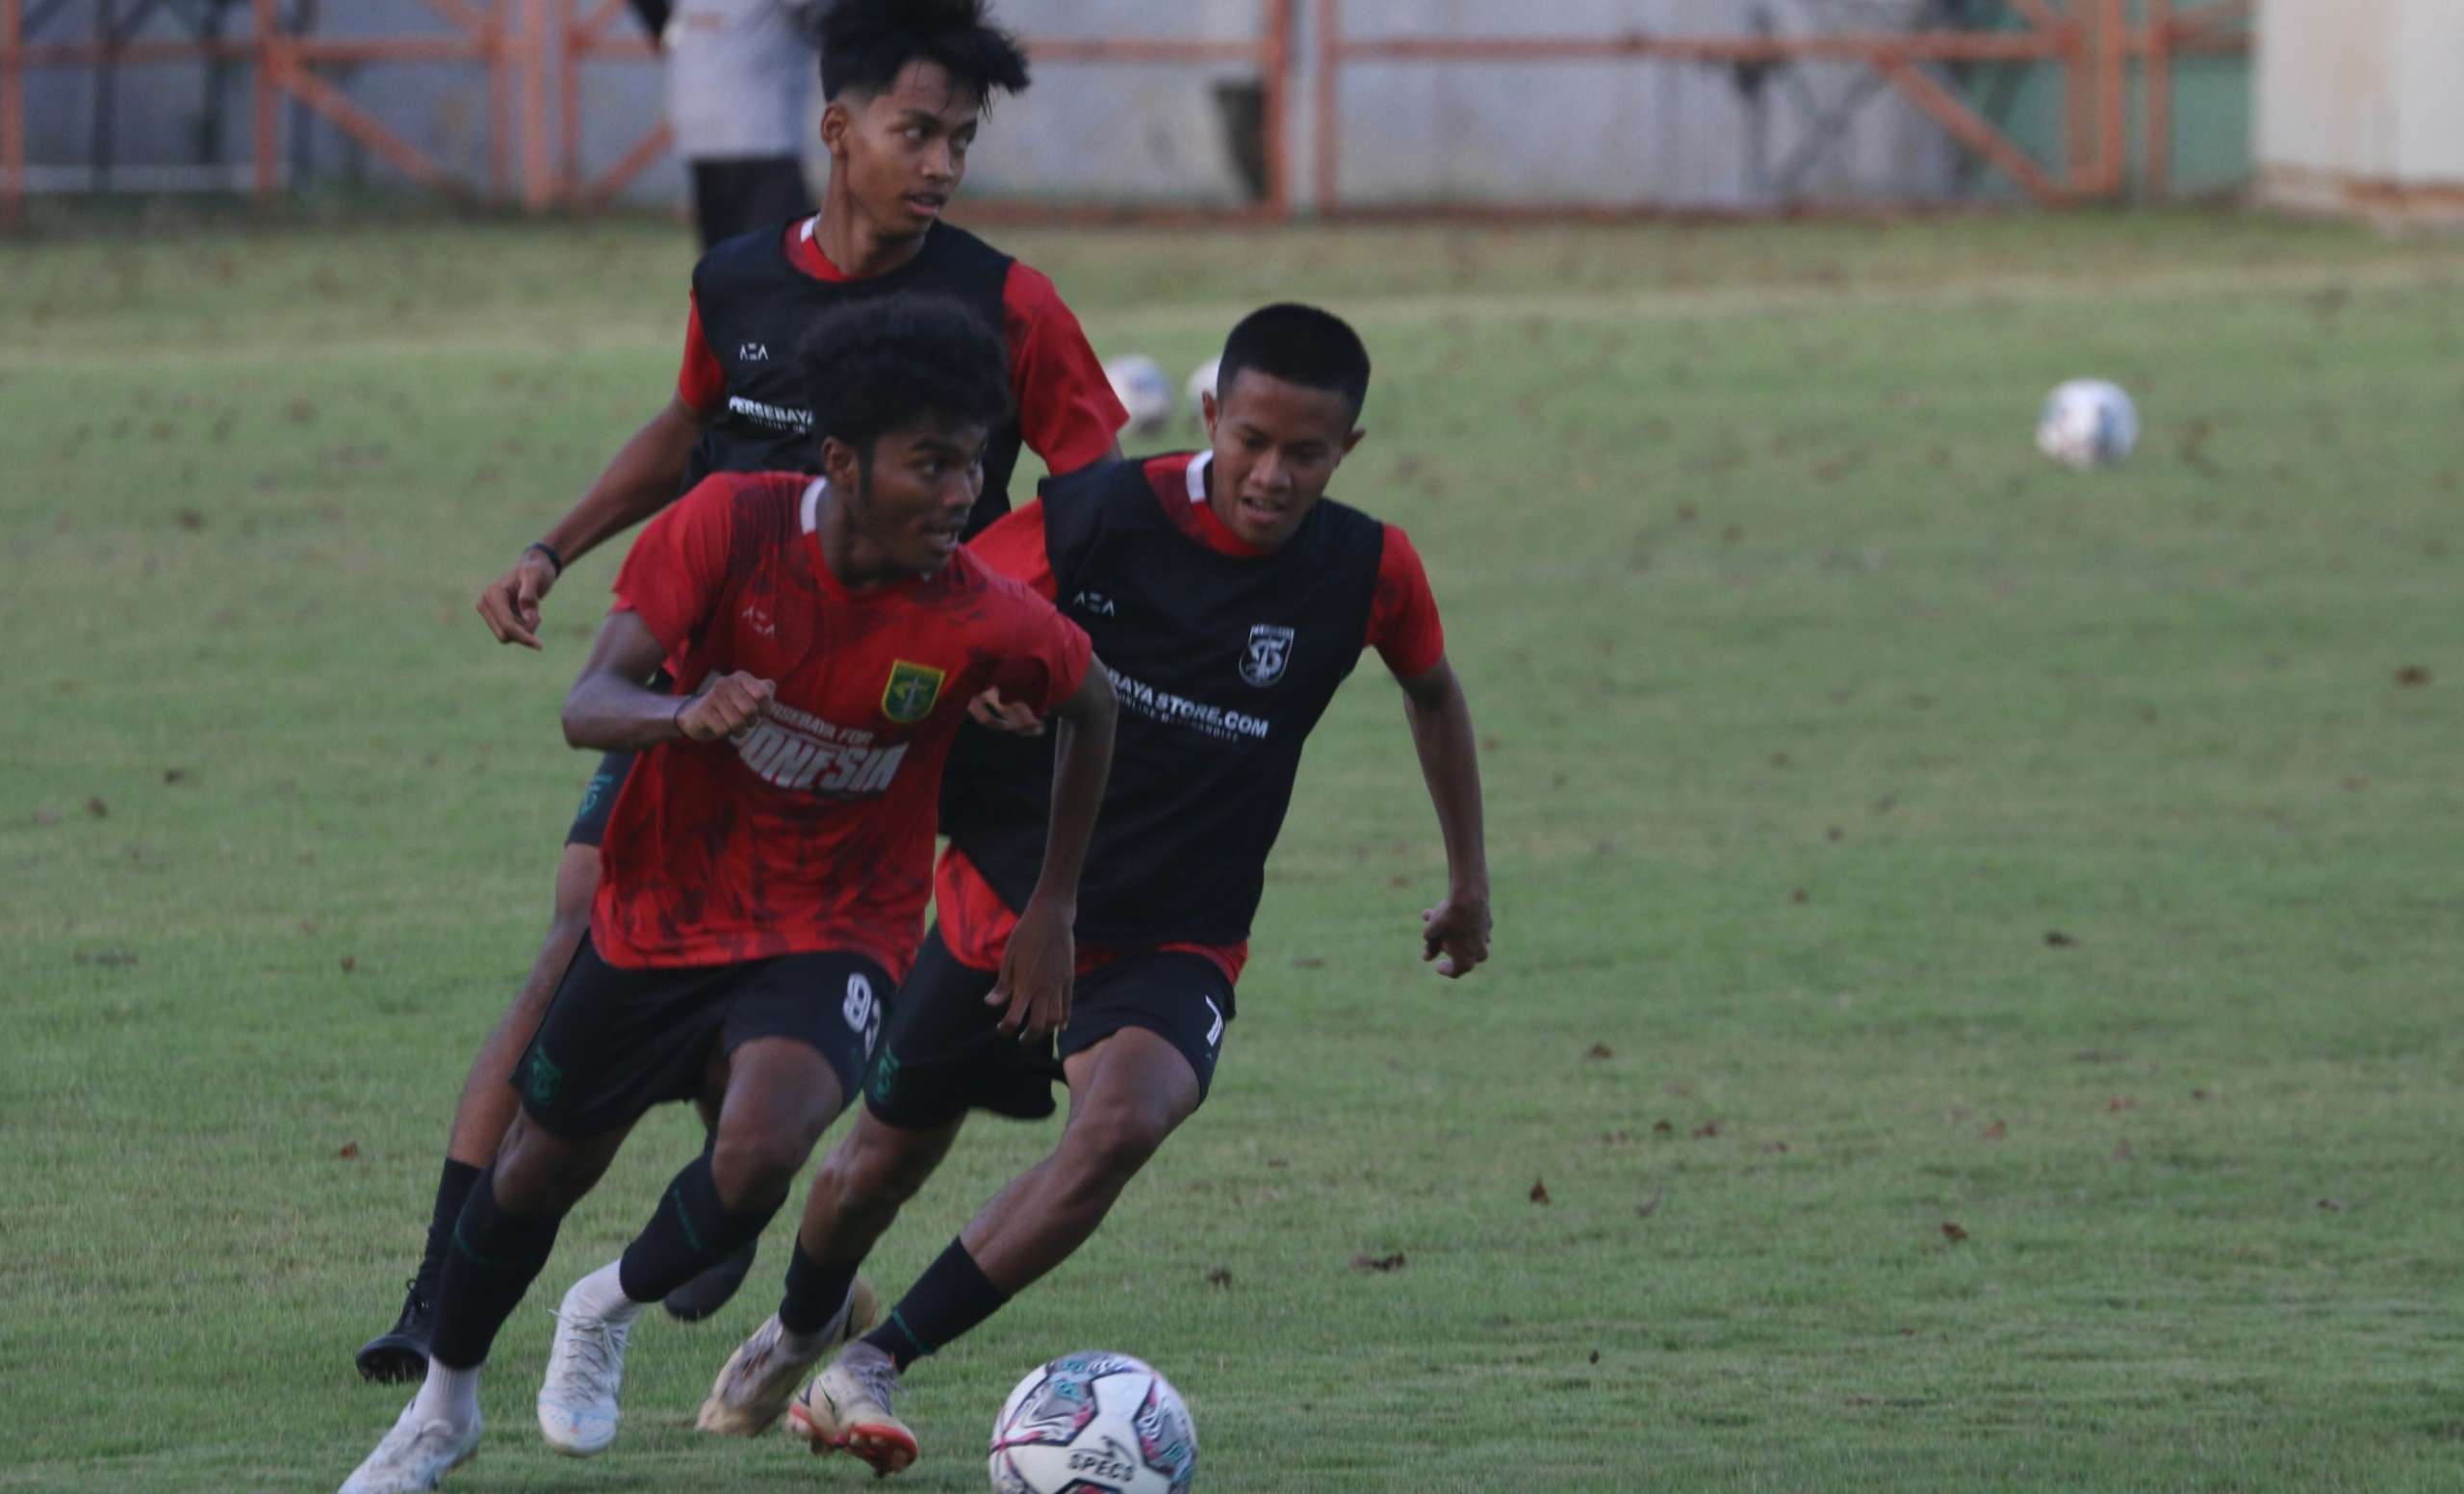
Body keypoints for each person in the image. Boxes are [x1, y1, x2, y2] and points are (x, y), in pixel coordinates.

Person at [356, 0, 1128, 1383]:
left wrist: (1016, 620)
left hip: (930, 692)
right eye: (917, 131)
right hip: (736, 700)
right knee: (581, 931)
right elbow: (684, 427)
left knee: (980, 1002)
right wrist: (553, 546)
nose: (944, 161)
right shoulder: (736, 284)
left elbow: (1096, 492)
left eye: (962, 137)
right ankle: (441, 1297)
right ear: (838, 130)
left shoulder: (1009, 301)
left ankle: (788, 1240)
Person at [689, 302, 1494, 1474]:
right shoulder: (1100, 516)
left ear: (1347, 450)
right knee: (872, 1166)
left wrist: (1468, 882)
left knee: (1124, 1120)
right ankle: (804, 1321)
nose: (1271, 474)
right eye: (1252, 439)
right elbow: (935, 605)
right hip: (1006, 901)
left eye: (1305, 453)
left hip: (1180, 928)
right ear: (1213, 413)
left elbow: (1433, 691)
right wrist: (977, 693)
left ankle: (879, 1361)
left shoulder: (1369, 567)